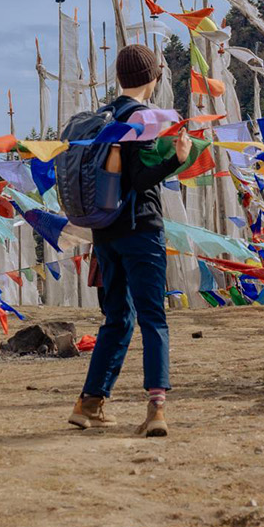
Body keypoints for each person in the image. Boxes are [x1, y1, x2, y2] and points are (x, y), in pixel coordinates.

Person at [69, 44, 190, 437]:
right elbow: (139, 180)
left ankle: (89, 404)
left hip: (105, 234)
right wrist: (176, 159)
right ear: (153, 78)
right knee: (153, 317)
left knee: (117, 319)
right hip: (141, 230)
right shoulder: (143, 118)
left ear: (120, 78)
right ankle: (156, 408)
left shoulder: (104, 117)